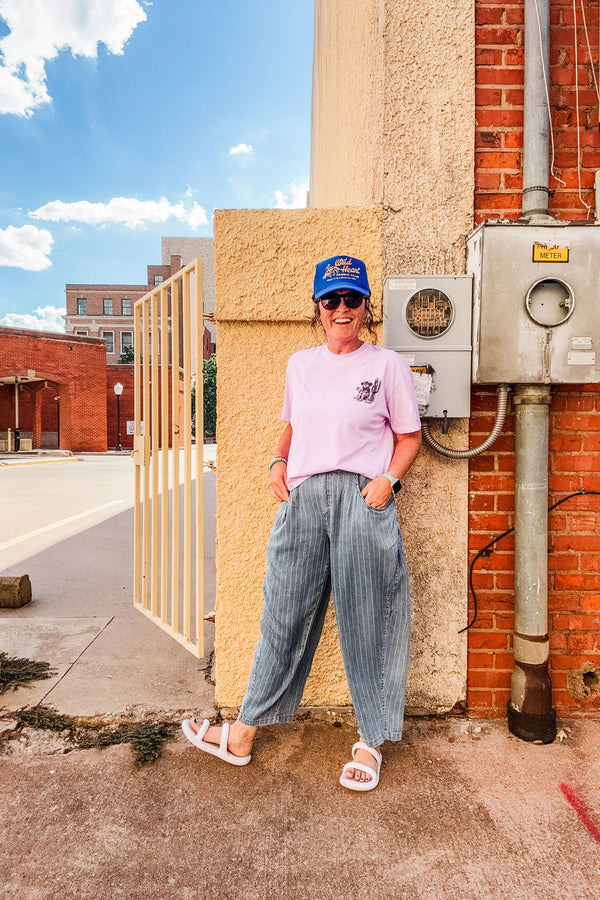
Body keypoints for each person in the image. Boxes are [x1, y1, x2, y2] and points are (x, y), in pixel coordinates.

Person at [183, 254, 422, 792]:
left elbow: (409, 437)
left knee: (370, 616)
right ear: (317, 308)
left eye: (352, 299)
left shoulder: (387, 366)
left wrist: (389, 482)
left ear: (366, 308)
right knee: (284, 610)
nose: (342, 309)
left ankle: (370, 739)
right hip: (305, 498)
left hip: (363, 496)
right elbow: (291, 426)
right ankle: (243, 733)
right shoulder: (300, 364)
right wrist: (276, 461)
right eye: (331, 299)